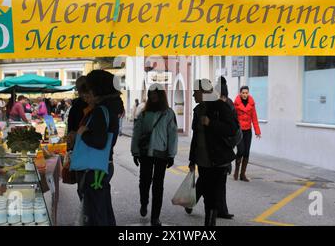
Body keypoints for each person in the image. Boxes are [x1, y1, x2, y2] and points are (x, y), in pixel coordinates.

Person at [76, 70, 124, 226]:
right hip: (104, 165)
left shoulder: (100, 110)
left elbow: (99, 141)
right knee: (104, 210)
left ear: (97, 88)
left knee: (96, 214)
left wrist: (83, 133)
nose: (88, 91)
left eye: (90, 87)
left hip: (95, 170)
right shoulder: (111, 108)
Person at [189, 79, 238, 226]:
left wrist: (211, 123)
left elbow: (232, 129)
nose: (193, 95)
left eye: (195, 92)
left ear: (204, 92)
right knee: (208, 196)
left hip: (218, 160)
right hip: (203, 160)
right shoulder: (198, 110)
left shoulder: (221, 107)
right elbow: (195, 136)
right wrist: (192, 159)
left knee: (213, 196)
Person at [131, 84, 178, 226]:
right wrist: (135, 151)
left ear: (160, 96)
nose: (153, 97)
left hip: (161, 154)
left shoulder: (168, 113)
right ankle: (144, 203)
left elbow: (173, 135)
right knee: (144, 182)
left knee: (158, 186)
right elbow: (136, 133)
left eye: (155, 94)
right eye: (151, 94)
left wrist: (171, 154)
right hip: (145, 153)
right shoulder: (143, 114)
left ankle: (155, 217)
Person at [233, 86, 261, 182]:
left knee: (246, 153)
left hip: (248, 131)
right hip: (239, 131)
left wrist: (257, 131)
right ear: (240, 93)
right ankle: (236, 171)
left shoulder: (251, 104)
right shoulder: (236, 104)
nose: (245, 94)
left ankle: (242, 174)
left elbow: (254, 118)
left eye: (246, 93)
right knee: (240, 151)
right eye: (243, 93)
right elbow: (233, 118)